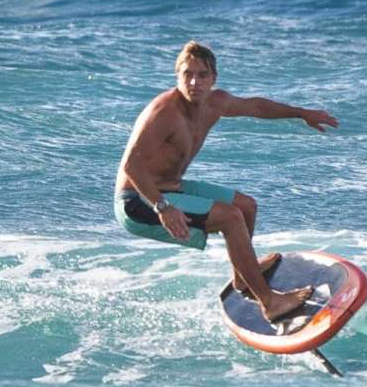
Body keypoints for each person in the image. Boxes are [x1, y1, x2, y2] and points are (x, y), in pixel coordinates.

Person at [115, 40, 339, 323]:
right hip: (138, 200)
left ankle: (242, 278)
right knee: (230, 218)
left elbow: (256, 106)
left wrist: (301, 113)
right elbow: (131, 164)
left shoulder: (215, 102)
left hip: (169, 187)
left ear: (213, 79)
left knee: (246, 207)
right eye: (187, 74)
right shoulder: (163, 113)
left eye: (202, 75)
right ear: (177, 76)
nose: (194, 82)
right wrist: (163, 207)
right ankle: (269, 302)